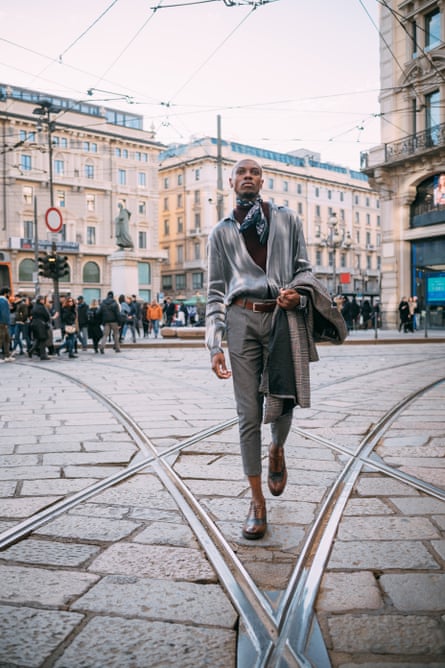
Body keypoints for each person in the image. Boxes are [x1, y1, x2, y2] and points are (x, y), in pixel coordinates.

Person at [206, 158, 347, 540]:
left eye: (254, 172)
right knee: (248, 412)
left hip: (282, 318)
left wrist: (297, 296)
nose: (247, 177)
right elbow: (215, 291)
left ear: (262, 180)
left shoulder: (287, 220)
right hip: (239, 321)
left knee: (282, 398)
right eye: (241, 173)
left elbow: (305, 270)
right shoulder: (221, 232)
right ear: (231, 181)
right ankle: (257, 501)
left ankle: (278, 448)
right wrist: (213, 343)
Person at [29, 295, 50, 360]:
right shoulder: (42, 307)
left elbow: (31, 314)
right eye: (43, 299)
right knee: (43, 340)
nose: (44, 301)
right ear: (40, 300)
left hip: (34, 324)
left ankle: (31, 350)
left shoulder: (34, 306)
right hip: (41, 325)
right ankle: (43, 355)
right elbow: (46, 316)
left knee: (38, 339)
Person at [0, 287, 15, 362]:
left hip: (3, 323)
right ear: (6, 293)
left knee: (6, 339)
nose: (9, 295)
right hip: (2, 323)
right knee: (2, 339)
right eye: (9, 293)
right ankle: (4, 356)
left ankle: (7, 355)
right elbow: (4, 313)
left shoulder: (3, 300)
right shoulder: (3, 301)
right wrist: (6, 323)